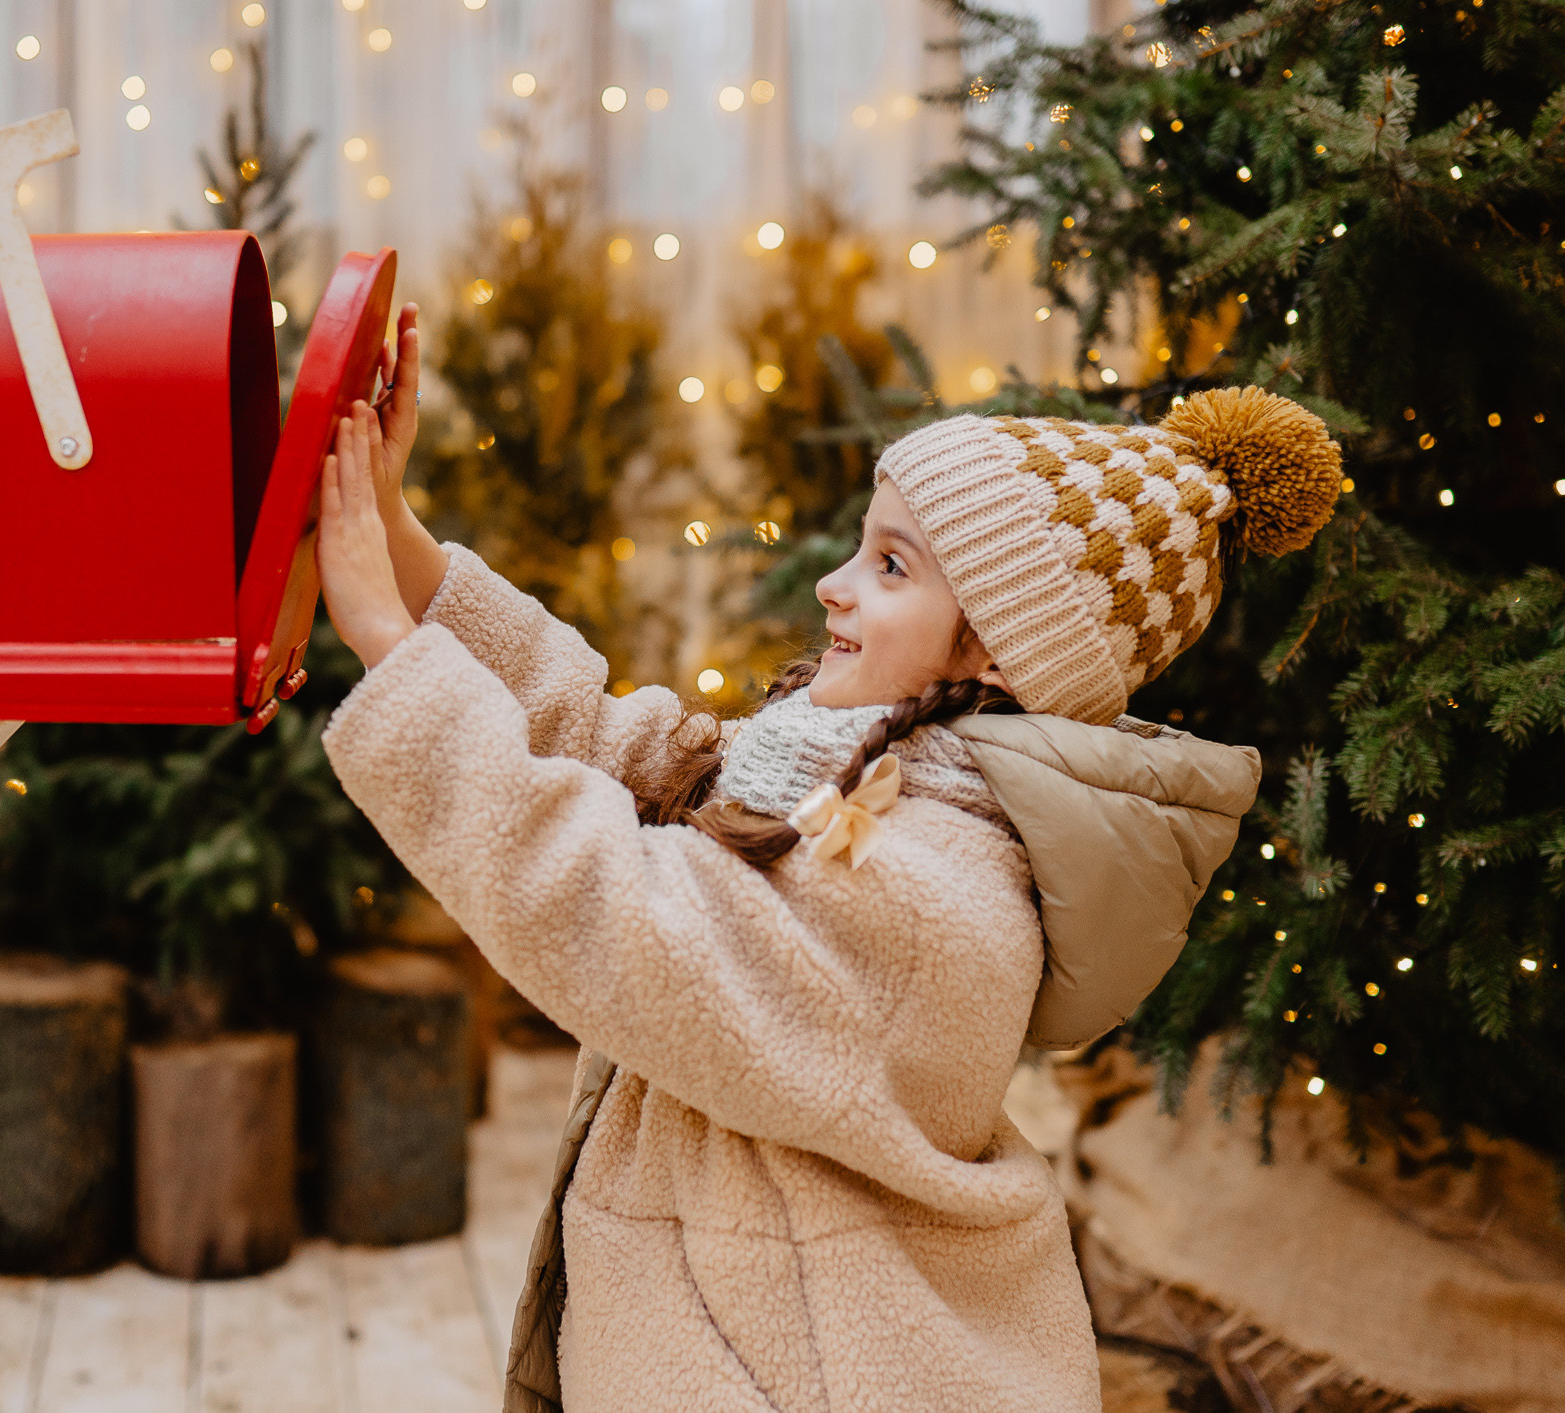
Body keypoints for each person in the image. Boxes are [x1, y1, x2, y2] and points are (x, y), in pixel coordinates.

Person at [314, 305, 1343, 1413]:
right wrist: (398, 537)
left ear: (996, 649)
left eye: (890, 566)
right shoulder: (835, 767)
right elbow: (609, 746)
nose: (834, 585)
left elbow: (621, 912)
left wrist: (388, 642)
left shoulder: (925, 895)